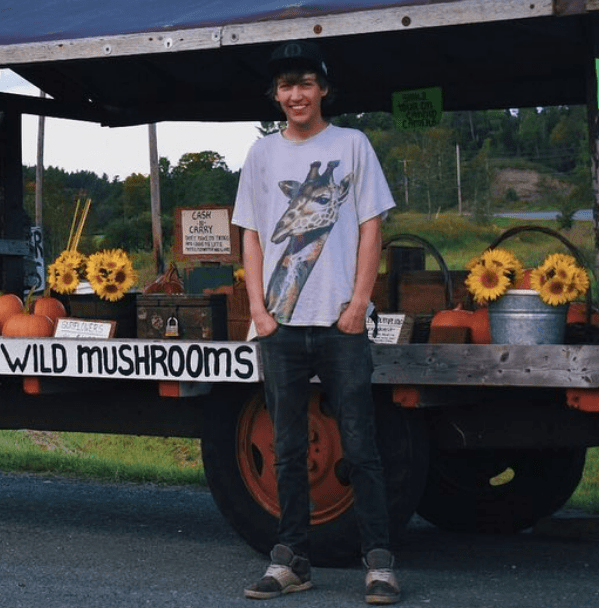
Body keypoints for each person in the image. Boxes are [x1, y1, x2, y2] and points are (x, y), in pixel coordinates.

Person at [231, 39, 400, 605]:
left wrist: (358, 304)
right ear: (275, 96)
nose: (295, 94)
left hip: (341, 321)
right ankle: (291, 560)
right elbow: (251, 234)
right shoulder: (262, 156)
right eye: (285, 86)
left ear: (323, 89)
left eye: (305, 83)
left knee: (360, 444)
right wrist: (259, 310)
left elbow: (373, 226)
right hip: (280, 324)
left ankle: (378, 562)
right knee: (286, 450)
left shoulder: (352, 145)